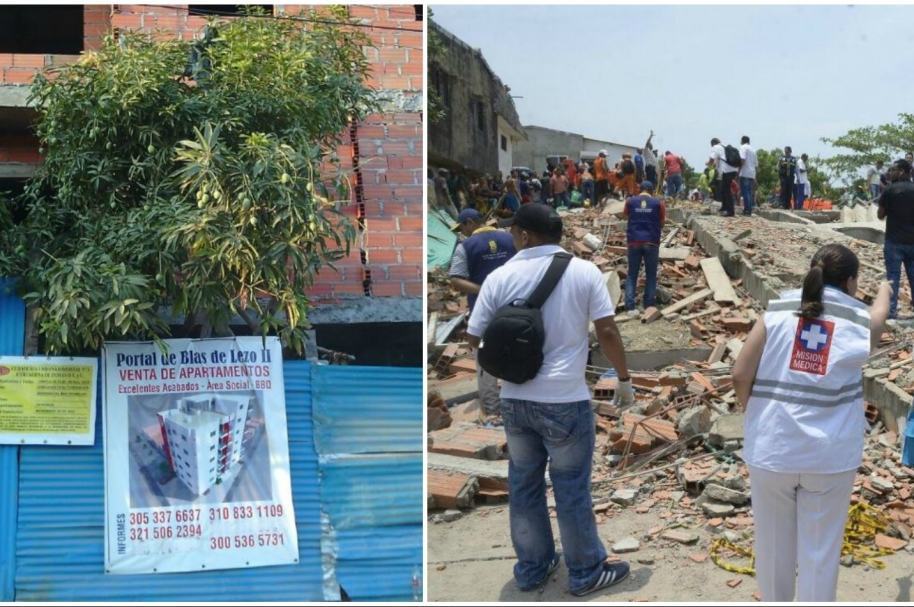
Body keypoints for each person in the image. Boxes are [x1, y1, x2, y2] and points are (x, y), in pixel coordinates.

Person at [467, 203, 634, 597]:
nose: (510, 237)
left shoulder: (499, 277)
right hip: (565, 399)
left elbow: (474, 339)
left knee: (523, 484)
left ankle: (532, 568)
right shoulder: (585, 272)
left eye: (512, 232)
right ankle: (585, 572)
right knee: (571, 486)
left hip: (515, 399)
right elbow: (607, 330)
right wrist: (623, 379)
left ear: (525, 234)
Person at [733, 244, 891, 602]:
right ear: (851, 282)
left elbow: (741, 372)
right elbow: (880, 317)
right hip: (828, 457)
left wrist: (756, 414)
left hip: (772, 449)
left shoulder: (777, 309)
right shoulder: (857, 320)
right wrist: (884, 289)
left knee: (773, 550)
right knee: (820, 557)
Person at [449, 208, 517, 416]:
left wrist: (483, 291)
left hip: (483, 313)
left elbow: (455, 279)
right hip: (515, 309)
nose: (462, 232)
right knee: (515, 352)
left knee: (484, 356)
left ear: (470, 222)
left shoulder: (465, 246)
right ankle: (516, 402)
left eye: (463, 227)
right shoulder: (509, 238)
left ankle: (492, 409)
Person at [877, 159, 914, 318]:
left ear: (902, 172)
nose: (890, 173)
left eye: (893, 170)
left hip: (893, 242)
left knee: (892, 277)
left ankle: (891, 312)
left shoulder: (889, 190)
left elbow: (880, 215)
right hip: (912, 242)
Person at [622, 181, 665, 316]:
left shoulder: (630, 201)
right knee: (651, 275)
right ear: (652, 191)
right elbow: (662, 222)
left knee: (632, 274)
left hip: (634, 241)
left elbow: (625, 216)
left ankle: (630, 306)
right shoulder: (658, 204)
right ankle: (649, 305)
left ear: (639, 189)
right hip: (651, 242)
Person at [708, 137, 738, 216]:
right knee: (723, 189)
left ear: (712, 144)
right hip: (734, 169)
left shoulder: (715, 147)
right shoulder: (724, 147)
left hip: (726, 171)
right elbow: (718, 160)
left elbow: (711, 159)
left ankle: (730, 211)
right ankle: (724, 207)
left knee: (726, 190)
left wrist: (708, 164)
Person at [738, 136, 758, 216]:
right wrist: (755, 176)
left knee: (745, 192)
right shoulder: (753, 150)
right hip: (752, 174)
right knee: (749, 192)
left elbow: (742, 159)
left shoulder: (743, 147)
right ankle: (749, 210)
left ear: (742, 141)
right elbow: (756, 165)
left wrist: (738, 170)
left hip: (745, 172)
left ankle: (747, 210)